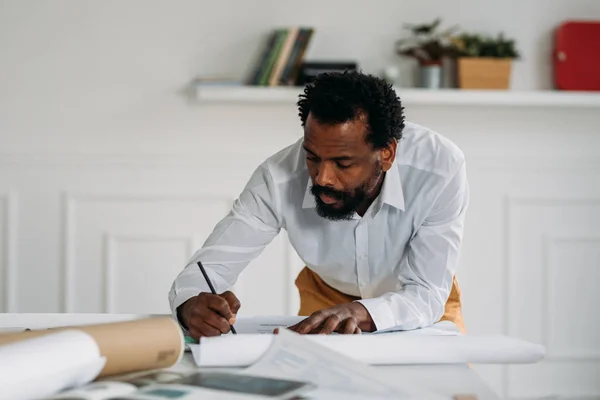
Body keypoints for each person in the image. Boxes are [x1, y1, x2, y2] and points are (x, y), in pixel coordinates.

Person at [169, 70, 469, 338]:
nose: (322, 178)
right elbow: (208, 267)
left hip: (421, 304)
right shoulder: (277, 178)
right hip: (326, 302)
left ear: (387, 153)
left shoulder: (440, 168)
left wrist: (360, 312)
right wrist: (191, 305)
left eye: (342, 162)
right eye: (312, 157)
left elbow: (427, 292)